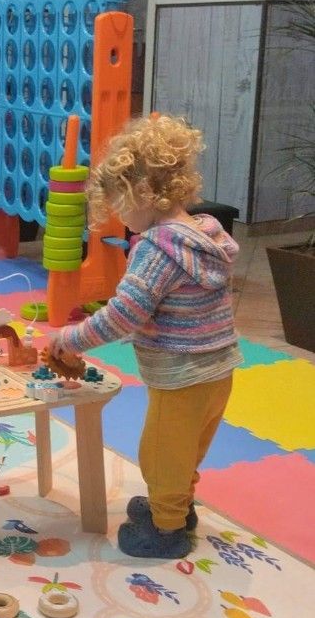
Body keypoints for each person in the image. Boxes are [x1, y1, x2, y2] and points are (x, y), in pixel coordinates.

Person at [48, 114, 242, 560]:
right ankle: (176, 507)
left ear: (142, 193)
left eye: (120, 206)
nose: (121, 220)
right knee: (185, 448)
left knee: (159, 454)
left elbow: (123, 316)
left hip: (182, 376)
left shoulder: (158, 248)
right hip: (219, 371)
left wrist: (72, 338)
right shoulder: (205, 231)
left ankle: (166, 529)